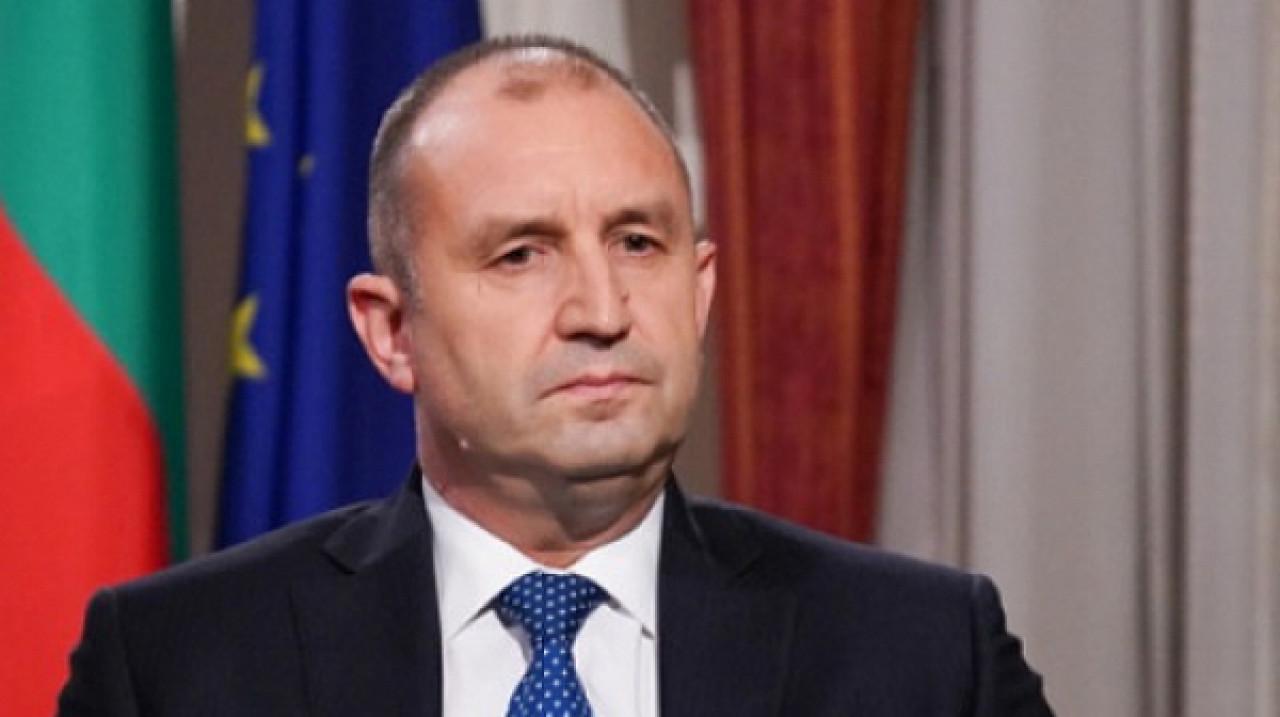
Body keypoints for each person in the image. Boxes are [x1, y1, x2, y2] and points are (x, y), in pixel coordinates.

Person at [58, 36, 1053, 716]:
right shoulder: (180, 667)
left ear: (700, 291)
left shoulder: (925, 659)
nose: (601, 310)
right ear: (391, 332)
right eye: (521, 254)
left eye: (637, 242)